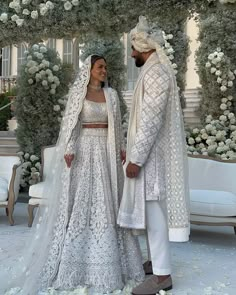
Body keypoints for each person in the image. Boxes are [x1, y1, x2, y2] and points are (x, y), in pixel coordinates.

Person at [3, 55, 144, 295]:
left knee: (106, 201)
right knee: (81, 202)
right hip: (82, 151)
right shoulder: (78, 94)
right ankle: (74, 260)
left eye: (105, 67)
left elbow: (117, 126)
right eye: (100, 67)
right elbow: (70, 125)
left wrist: (121, 148)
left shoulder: (111, 95)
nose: (104, 71)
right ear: (88, 70)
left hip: (105, 151)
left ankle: (109, 259)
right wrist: (69, 148)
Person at [117, 17, 190, 295]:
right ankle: (156, 263)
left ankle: (162, 276)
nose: (131, 53)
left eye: (134, 48)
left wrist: (136, 158)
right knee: (150, 215)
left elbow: (150, 119)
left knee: (155, 215)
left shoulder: (156, 72)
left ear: (143, 47)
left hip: (152, 159)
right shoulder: (151, 69)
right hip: (148, 156)